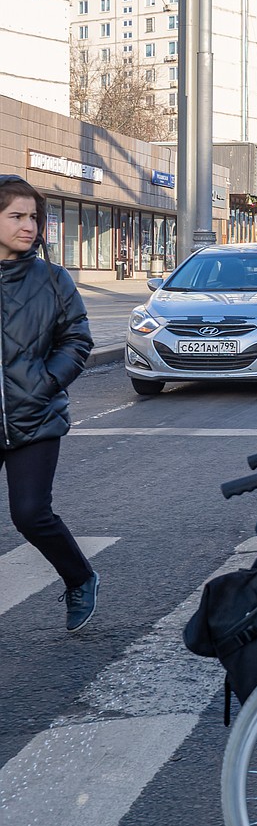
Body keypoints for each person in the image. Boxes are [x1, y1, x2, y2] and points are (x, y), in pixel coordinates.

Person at [0, 175, 98, 631]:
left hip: (35, 416)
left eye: (33, 217)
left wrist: (47, 381)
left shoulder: (52, 279)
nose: (29, 226)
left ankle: (80, 577)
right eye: (16, 216)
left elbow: (77, 338)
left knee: (30, 514)